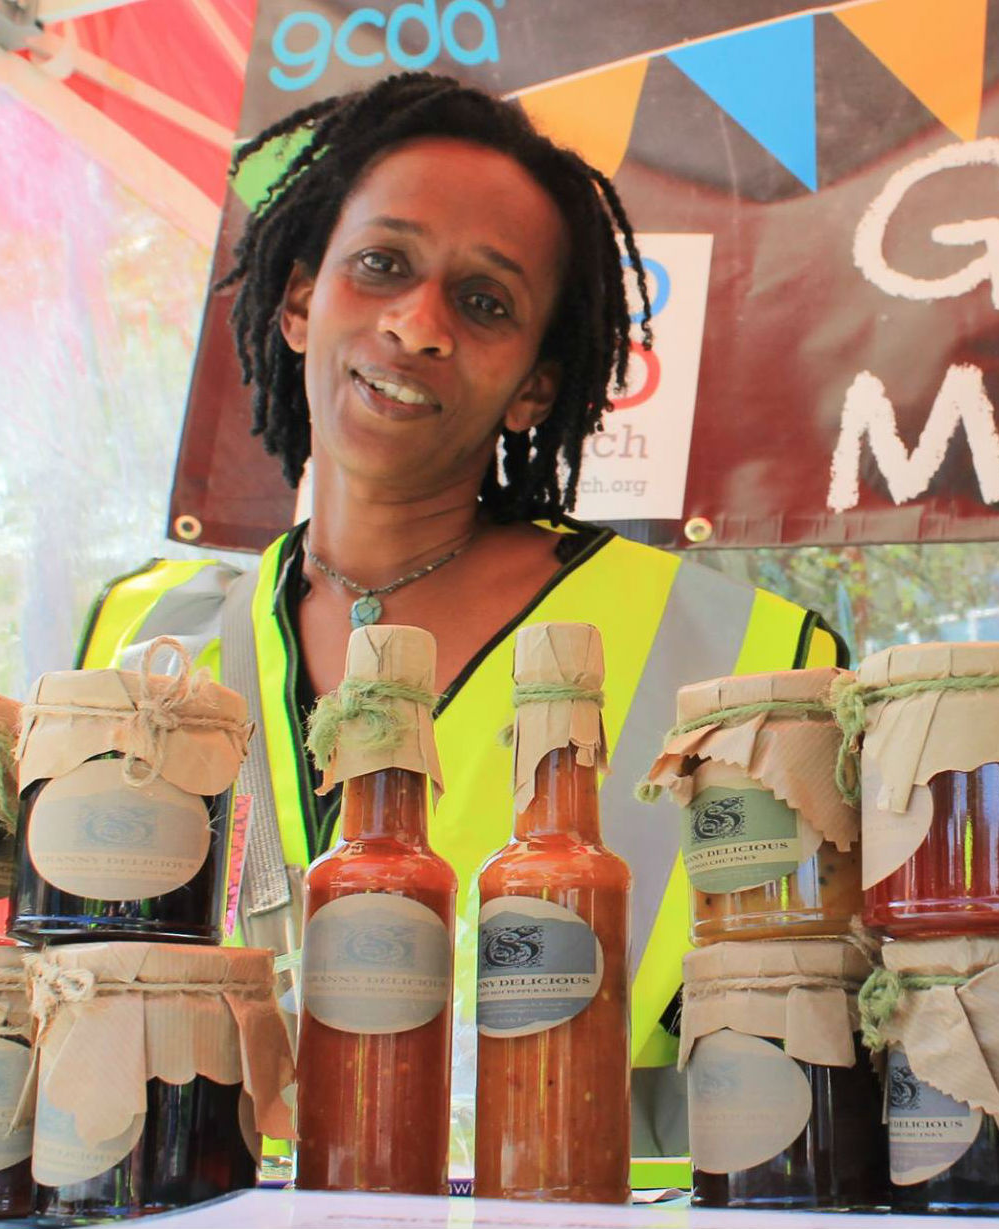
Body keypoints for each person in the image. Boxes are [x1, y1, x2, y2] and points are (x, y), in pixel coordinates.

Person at [76, 73, 843, 1167]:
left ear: (535, 384)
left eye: (485, 302)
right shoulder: (133, 640)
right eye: (382, 264)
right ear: (300, 300)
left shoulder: (743, 656)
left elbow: (814, 1047)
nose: (416, 324)